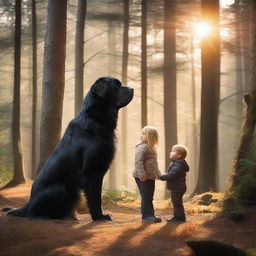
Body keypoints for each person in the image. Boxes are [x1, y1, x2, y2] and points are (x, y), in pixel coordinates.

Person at [133, 126, 162, 223]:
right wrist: (142, 175)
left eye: (143, 134)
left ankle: (151, 215)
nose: (141, 135)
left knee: (150, 196)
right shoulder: (142, 147)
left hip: (150, 177)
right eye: (141, 133)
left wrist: (158, 174)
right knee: (146, 196)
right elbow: (138, 162)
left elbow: (155, 163)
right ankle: (146, 216)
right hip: (142, 177)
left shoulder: (152, 148)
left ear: (151, 137)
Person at [160, 144, 189, 222]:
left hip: (178, 187)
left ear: (179, 155)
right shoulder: (177, 163)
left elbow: (171, 175)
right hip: (177, 187)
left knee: (177, 203)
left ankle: (179, 218)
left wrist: (160, 176)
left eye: (173, 151)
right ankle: (177, 216)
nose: (170, 153)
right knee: (176, 202)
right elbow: (171, 174)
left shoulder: (179, 165)